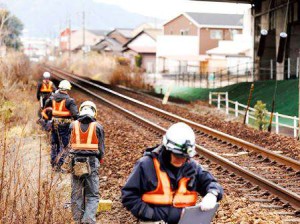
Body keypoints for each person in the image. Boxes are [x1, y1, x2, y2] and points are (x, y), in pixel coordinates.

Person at [121, 122, 223, 224]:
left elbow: (212, 184)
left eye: (185, 157)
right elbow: (129, 196)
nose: (182, 160)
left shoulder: (193, 167)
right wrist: (151, 215)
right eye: (178, 156)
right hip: (153, 221)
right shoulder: (146, 165)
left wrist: (212, 194)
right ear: (167, 150)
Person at [68, 101, 105, 224]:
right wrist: (99, 160)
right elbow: (101, 150)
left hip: (75, 162)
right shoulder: (98, 127)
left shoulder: (72, 125)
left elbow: (70, 144)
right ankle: (88, 220)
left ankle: (77, 220)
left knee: (76, 193)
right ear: (94, 112)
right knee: (92, 195)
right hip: (92, 162)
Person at [45, 79, 78, 169]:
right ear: (67, 89)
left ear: (59, 88)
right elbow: (75, 114)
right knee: (64, 146)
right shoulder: (69, 100)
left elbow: (46, 106)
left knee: (55, 144)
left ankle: (53, 163)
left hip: (54, 124)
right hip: (65, 125)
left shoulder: (53, 98)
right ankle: (59, 164)